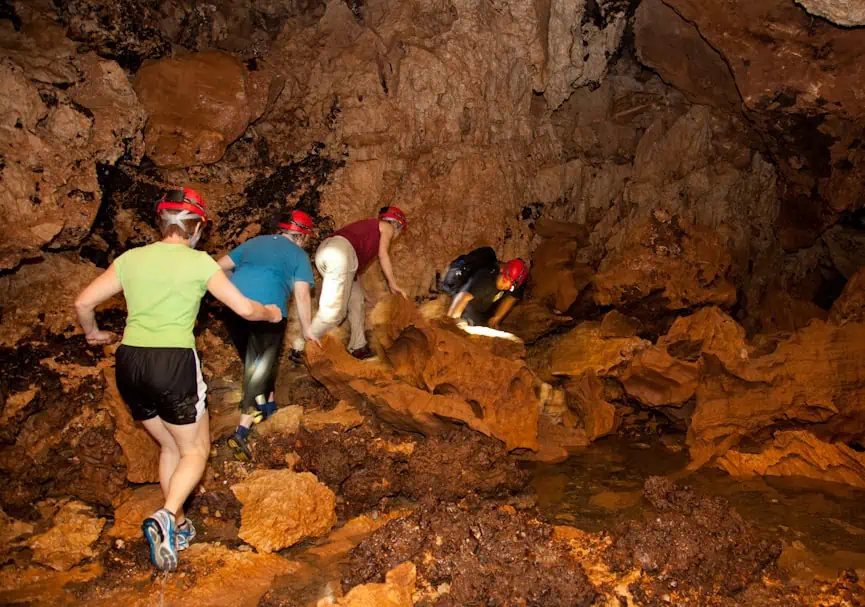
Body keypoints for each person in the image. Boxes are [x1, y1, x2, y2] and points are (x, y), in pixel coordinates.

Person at [73, 188, 282, 573]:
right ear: (198, 227)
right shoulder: (199, 262)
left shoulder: (131, 258)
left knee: (169, 446)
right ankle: (167, 515)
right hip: (172, 362)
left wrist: (93, 333)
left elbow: (83, 303)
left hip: (129, 363)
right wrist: (270, 313)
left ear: (161, 222)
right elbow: (244, 308)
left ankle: (180, 527)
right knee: (196, 450)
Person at [216, 210, 319, 462]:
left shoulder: (254, 242)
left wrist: (235, 288)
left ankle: (268, 405)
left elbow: (216, 267)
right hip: (267, 314)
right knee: (260, 367)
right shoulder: (298, 255)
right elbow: (302, 295)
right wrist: (307, 329)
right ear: (302, 236)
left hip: (234, 310)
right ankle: (242, 430)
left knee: (257, 361)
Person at [302, 206, 408, 360]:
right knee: (335, 311)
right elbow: (383, 255)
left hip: (328, 252)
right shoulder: (387, 227)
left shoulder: (369, 231)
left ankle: (358, 346)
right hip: (341, 253)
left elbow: (356, 258)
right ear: (398, 224)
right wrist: (393, 283)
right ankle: (301, 345)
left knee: (357, 301)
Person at [446, 258, 529, 328]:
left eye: (510, 286)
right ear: (501, 270)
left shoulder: (514, 281)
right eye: (504, 281)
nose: (506, 285)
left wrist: (496, 318)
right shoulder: (485, 280)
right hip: (464, 305)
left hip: (483, 310)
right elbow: (462, 297)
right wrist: (451, 323)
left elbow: (512, 297)